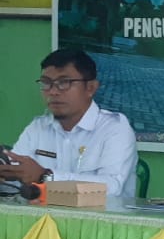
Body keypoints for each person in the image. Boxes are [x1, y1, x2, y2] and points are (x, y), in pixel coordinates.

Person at [0, 48, 137, 198]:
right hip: (41, 212)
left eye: (64, 82)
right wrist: (6, 174)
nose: (53, 92)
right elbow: (16, 181)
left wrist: (45, 176)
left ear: (90, 88)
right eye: (46, 83)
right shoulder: (38, 127)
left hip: (100, 213)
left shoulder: (115, 128)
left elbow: (112, 187)